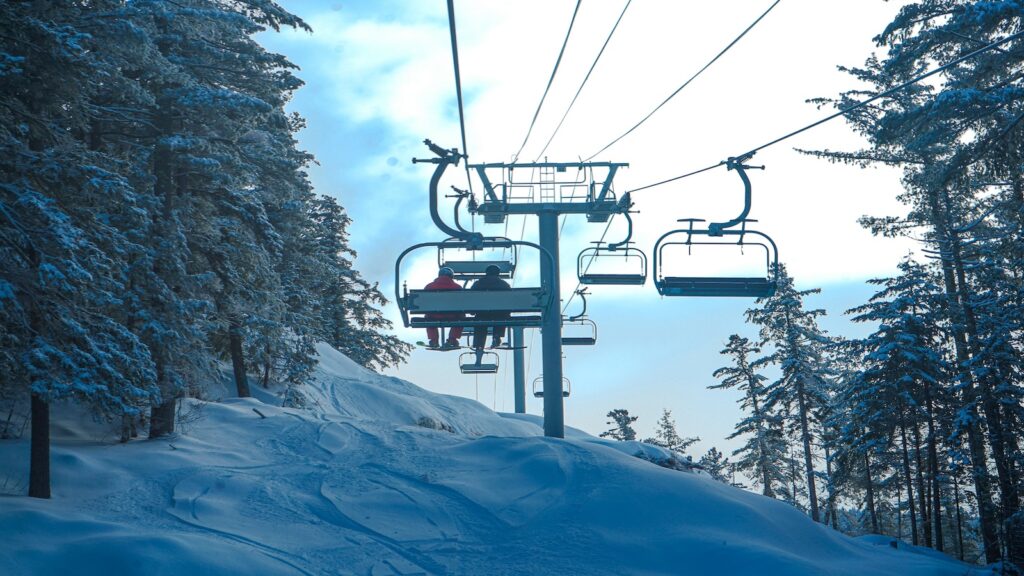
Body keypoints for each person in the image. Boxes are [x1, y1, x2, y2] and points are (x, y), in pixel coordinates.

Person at [470, 264, 511, 356]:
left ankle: (479, 344)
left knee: (480, 323)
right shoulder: (504, 284)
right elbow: (509, 299)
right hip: (499, 312)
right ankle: (497, 336)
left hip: (482, 312)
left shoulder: (478, 283)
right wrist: (507, 312)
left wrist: (472, 311)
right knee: (501, 319)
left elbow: (471, 297)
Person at [423, 266, 463, 349]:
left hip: (434, 315)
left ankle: (434, 340)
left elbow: (424, 302)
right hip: (452, 315)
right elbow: (462, 303)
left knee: (428, 316)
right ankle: (452, 339)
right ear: (452, 276)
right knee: (461, 317)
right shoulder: (457, 287)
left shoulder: (429, 287)